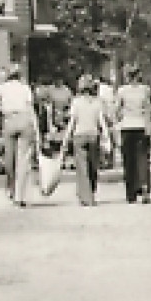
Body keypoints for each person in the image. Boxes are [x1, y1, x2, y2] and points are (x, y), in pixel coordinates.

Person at [0, 66, 40, 207]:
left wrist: (0, 108)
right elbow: (31, 109)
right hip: (24, 120)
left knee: (9, 158)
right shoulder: (25, 88)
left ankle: (11, 187)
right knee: (24, 159)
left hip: (9, 120)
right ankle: (20, 196)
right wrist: (36, 130)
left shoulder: (4, 87)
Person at [63, 73, 115, 206]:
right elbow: (102, 121)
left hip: (79, 136)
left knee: (82, 168)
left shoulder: (76, 102)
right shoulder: (98, 102)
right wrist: (107, 137)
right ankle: (90, 192)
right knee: (93, 166)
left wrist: (66, 139)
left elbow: (72, 122)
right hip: (93, 136)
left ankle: (86, 196)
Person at [115, 63, 151, 203]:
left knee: (129, 160)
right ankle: (144, 186)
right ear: (138, 75)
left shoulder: (122, 91)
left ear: (127, 76)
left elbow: (116, 110)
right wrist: (150, 127)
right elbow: (149, 109)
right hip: (141, 126)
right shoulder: (145, 90)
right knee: (143, 159)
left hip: (127, 126)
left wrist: (118, 119)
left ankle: (131, 192)